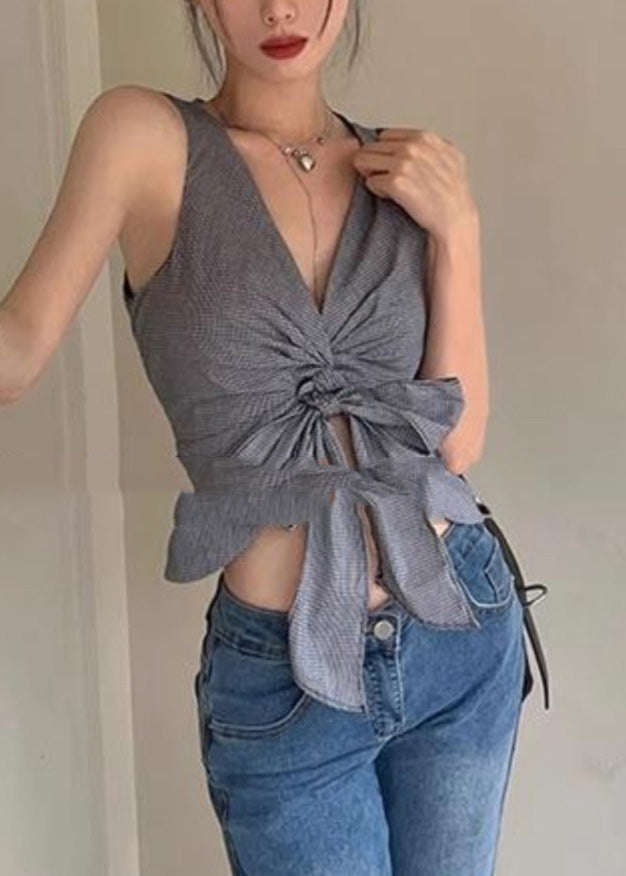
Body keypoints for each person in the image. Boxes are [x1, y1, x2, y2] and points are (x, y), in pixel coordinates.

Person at [0, 1, 529, 873]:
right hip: (286, 679)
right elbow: (16, 350)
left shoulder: (406, 171)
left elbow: (457, 443)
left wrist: (459, 232)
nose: (280, 8)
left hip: (457, 630)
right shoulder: (143, 139)